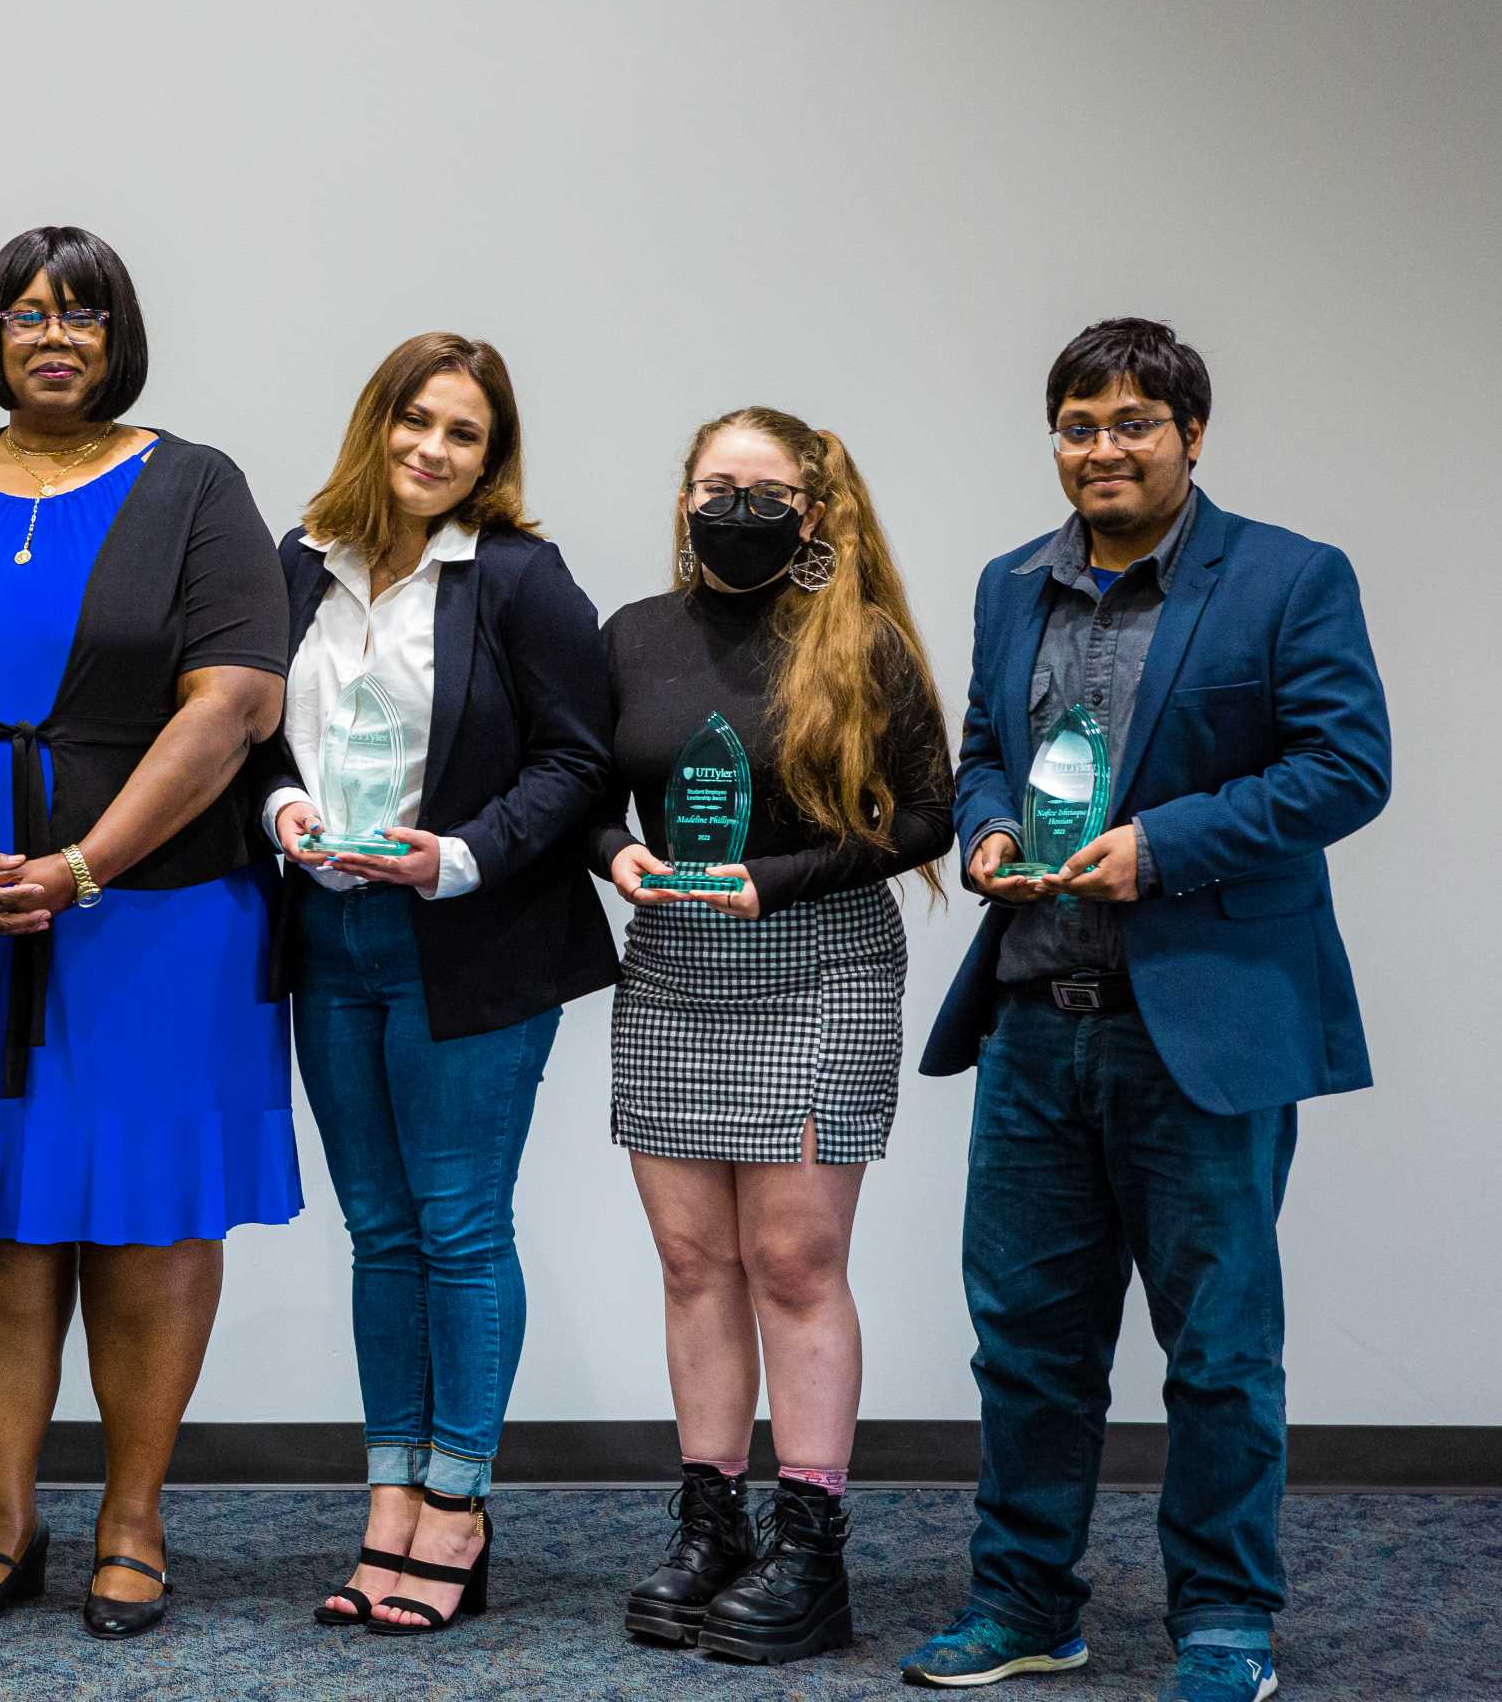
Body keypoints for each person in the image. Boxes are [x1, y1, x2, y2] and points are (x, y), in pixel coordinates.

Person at [0, 226, 296, 1642]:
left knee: (148, 1223)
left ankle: (133, 1522)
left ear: (119, 336)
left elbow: (232, 709)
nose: (54, 336)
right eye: (27, 313)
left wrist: (81, 865)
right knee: (1, 1222)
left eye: (82, 314)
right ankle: (1, 1517)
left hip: (158, 920)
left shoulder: (199, 488)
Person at [899, 320, 1390, 1702]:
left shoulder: (1289, 578)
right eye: (1077, 423)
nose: (1101, 447)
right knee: (1027, 1343)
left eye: (1131, 423)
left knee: (1221, 1348)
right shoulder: (1012, 584)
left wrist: (1159, 847)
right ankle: (1021, 1603)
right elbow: (985, 752)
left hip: (1206, 1028)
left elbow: (1348, 768)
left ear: (1190, 434)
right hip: (1034, 1022)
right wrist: (987, 832)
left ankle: (1226, 1620)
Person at [258, 333, 615, 1635]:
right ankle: (389, 1500)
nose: (433, 450)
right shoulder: (299, 563)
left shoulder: (519, 577)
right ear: (377, 423)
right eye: (416, 421)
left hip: (469, 941)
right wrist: (284, 809)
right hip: (330, 940)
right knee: (382, 1233)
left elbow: (579, 762)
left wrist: (461, 856)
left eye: (463, 434)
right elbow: (251, 730)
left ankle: (457, 1509)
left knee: (460, 1226)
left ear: (489, 455)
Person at [594, 406, 952, 1665]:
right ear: (683, 499)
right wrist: (619, 854)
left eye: (761, 490)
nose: (731, 509)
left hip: (819, 968)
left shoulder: (862, 643)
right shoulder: (634, 634)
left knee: (794, 1265)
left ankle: (812, 1549)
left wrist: (781, 880)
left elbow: (926, 818)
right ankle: (713, 1524)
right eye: (711, 487)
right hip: (676, 964)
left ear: (814, 509)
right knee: (695, 1266)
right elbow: (586, 789)